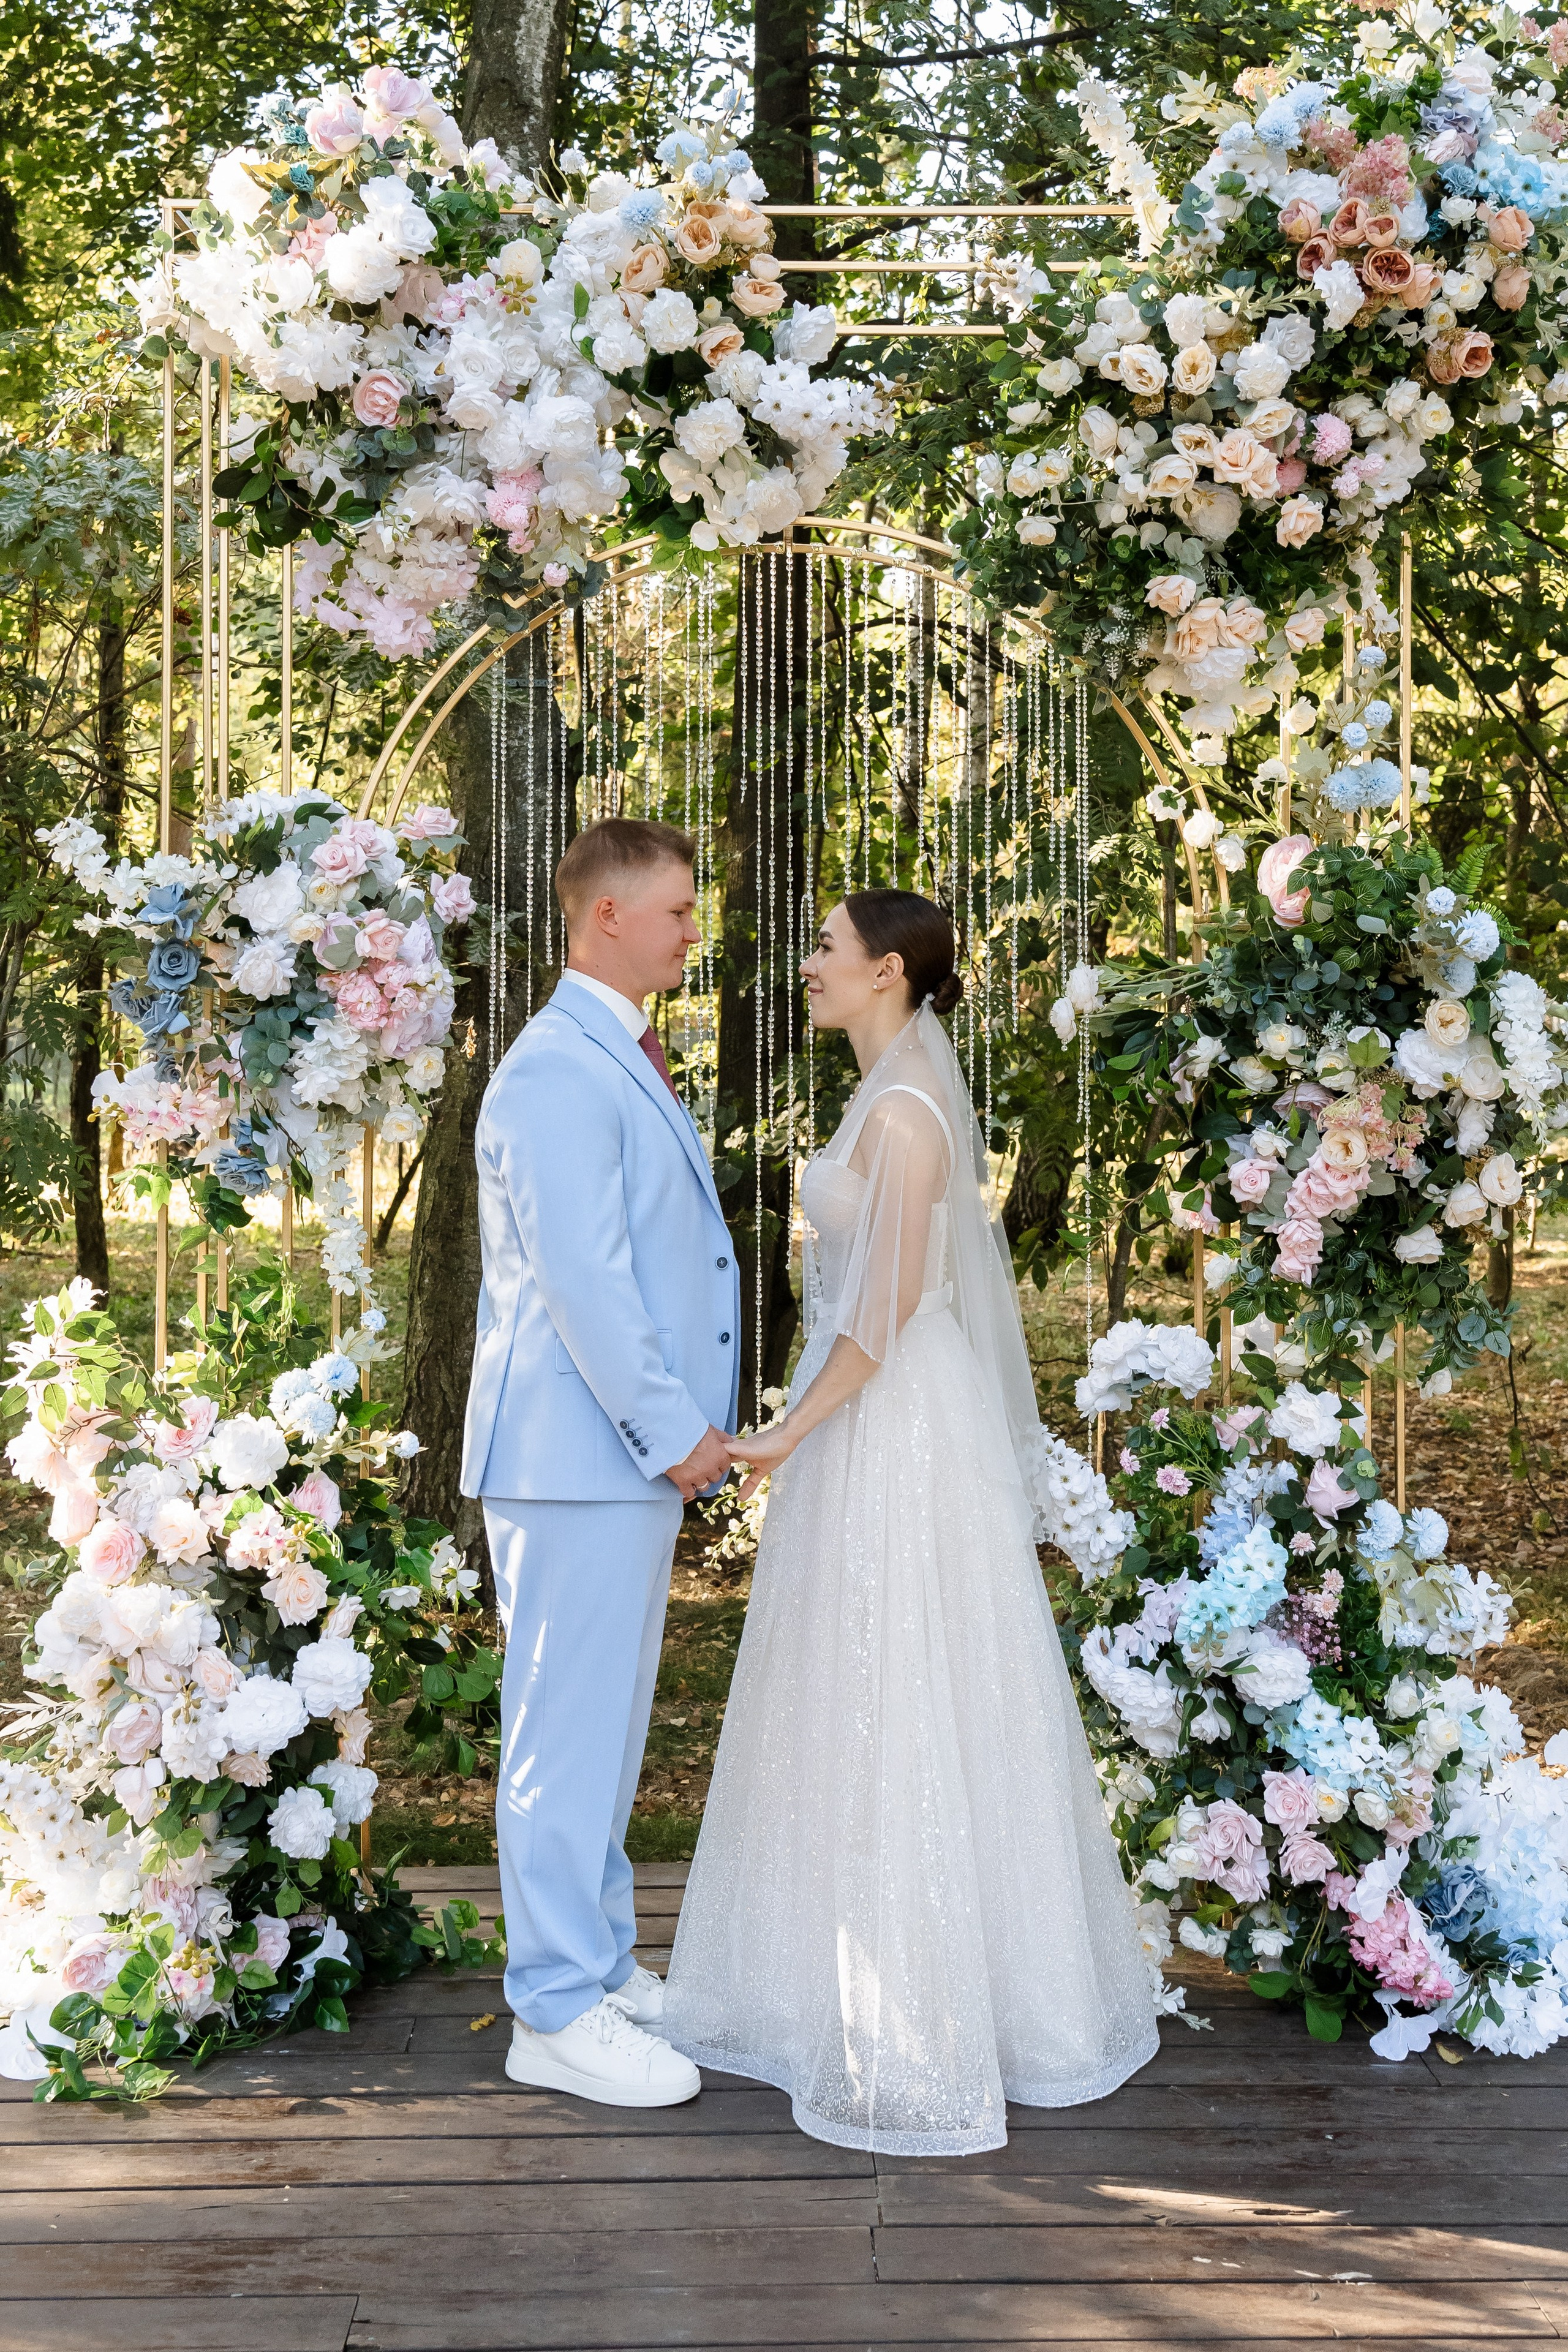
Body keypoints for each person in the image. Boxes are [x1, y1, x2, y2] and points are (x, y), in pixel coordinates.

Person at [661, 889, 1159, 2155]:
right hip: (869, 1415)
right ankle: (816, 1984)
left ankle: (931, 2016)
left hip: (885, 1424)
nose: (809, 965)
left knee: (909, 1681)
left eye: (826, 948)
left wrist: (782, 1431)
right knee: (856, 1680)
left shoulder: (904, 1119)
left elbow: (876, 1319)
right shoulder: (878, 1098)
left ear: (886, 971)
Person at [462, 817, 740, 2109]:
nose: (693, 930)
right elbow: (584, 1282)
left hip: (602, 1462)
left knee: (605, 1730)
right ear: (607, 918)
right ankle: (554, 2008)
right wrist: (673, 1426)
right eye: (677, 910)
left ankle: (602, 1960)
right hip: (575, 1453)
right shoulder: (556, 1072)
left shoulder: (610, 1052)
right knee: (563, 1736)